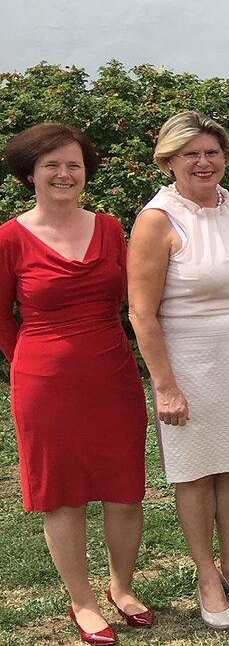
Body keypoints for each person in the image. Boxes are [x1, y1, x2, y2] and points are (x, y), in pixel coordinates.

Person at [126, 111, 229, 629]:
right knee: (196, 471)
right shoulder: (156, 219)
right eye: (189, 153)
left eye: (211, 152)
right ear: (168, 160)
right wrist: (165, 385)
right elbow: (141, 312)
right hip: (188, 360)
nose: (202, 161)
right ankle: (206, 575)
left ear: (225, 156)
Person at [2, 123, 152, 645]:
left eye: (74, 165)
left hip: (112, 371)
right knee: (62, 496)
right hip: (44, 382)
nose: (64, 174)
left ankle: (123, 587)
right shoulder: (9, 237)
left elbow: (137, 300)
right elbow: (2, 318)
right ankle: (82, 601)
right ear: (30, 175)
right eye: (52, 165)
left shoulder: (111, 228)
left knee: (124, 489)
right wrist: (31, 361)